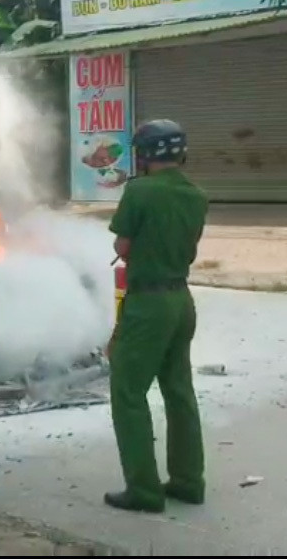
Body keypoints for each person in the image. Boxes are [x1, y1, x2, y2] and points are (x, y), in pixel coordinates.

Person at [105, 119, 208, 513]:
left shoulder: (139, 191)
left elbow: (123, 245)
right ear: (180, 152)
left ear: (144, 155)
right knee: (179, 390)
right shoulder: (197, 195)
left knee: (128, 392)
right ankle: (187, 481)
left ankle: (144, 491)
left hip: (148, 303)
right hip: (181, 299)